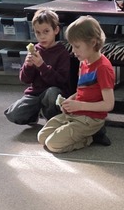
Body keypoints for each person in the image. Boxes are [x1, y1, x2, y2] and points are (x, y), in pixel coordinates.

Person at [38, 15, 114, 154]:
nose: (73, 50)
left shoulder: (103, 68)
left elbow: (108, 104)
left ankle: (90, 137)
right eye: (72, 46)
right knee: (42, 137)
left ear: (92, 42)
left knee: (53, 145)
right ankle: (81, 131)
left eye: (77, 46)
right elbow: (83, 91)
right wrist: (70, 100)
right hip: (76, 114)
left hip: (90, 119)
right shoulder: (84, 62)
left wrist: (79, 105)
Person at [4, 8, 73, 126]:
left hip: (54, 92)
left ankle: (52, 119)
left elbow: (61, 81)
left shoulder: (62, 52)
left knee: (52, 93)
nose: (42, 37)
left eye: (46, 31)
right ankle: (35, 114)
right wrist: (28, 65)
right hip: (36, 93)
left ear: (56, 30)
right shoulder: (35, 50)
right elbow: (25, 79)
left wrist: (42, 66)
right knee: (13, 114)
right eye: (38, 33)